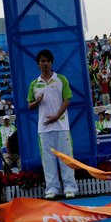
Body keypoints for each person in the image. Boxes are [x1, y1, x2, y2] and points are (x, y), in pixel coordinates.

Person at [27, 49, 78, 200]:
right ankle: (52, 188)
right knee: (48, 159)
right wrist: (37, 101)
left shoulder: (61, 79)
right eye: (42, 61)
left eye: (47, 61)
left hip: (61, 126)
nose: (45, 64)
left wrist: (57, 116)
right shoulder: (34, 84)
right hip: (44, 128)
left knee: (66, 157)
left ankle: (70, 187)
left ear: (51, 63)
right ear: (38, 64)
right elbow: (29, 105)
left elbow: (67, 99)